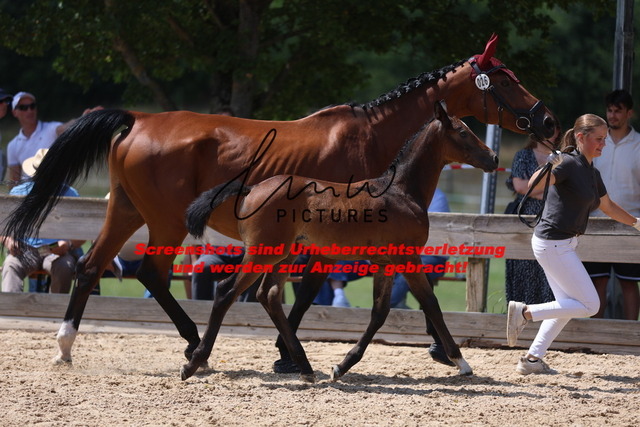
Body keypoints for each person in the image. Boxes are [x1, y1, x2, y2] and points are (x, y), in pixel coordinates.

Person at [506, 113, 640, 375]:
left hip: (562, 244)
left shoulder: (592, 172)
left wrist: (636, 223)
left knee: (565, 305)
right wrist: (548, 164)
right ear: (581, 137)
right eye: (599, 139)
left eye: (604, 139)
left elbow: (608, 206)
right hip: (553, 243)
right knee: (590, 305)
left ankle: (531, 360)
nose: (603, 144)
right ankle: (524, 313)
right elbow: (533, 186)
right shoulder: (566, 163)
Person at [583, 89, 640, 320]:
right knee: (597, 283)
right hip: (596, 222)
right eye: (609, 110)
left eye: (618, 111)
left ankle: (631, 335)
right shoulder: (597, 143)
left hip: (630, 223)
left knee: (629, 283)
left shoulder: (639, 144)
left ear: (629, 113)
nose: (612, 115)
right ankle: (595, 335)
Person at [1, 149, 81, 293]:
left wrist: (68, 243)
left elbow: (83, 232)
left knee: (65, 266)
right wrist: (8, 240)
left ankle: (55, 306)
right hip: (24, 249)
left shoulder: (71, 195)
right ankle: (10, 307)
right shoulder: (18, 193)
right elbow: (3, 226)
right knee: (11, 265)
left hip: (56, 251)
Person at [504, 132, 560, 305]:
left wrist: (532, 189)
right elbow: (520, 187)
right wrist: (550, 190)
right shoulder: (523, 155)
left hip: (552, 222)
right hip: (525, 223)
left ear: (558, 131)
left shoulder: (561, 158)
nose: (548, 133)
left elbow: (565, 189)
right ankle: (520, 313)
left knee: (550, 272)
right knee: (523, 268)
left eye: (552, 128)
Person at [6, 92, 101, 183]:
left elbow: (66, 128)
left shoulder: (50, 129)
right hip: (28, 191)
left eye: (32, 106)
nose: (29, 110)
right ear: (14, 112)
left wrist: (82, 119)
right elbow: (14, 181)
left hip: (55, 189)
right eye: (23, 107)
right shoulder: (13, 146)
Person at [390, 188, 450, 309]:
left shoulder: (437, 197)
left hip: (432, 256)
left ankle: (382, 309)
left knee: (408, 273)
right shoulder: (397, 193)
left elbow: (432, 229)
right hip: (403, 254)